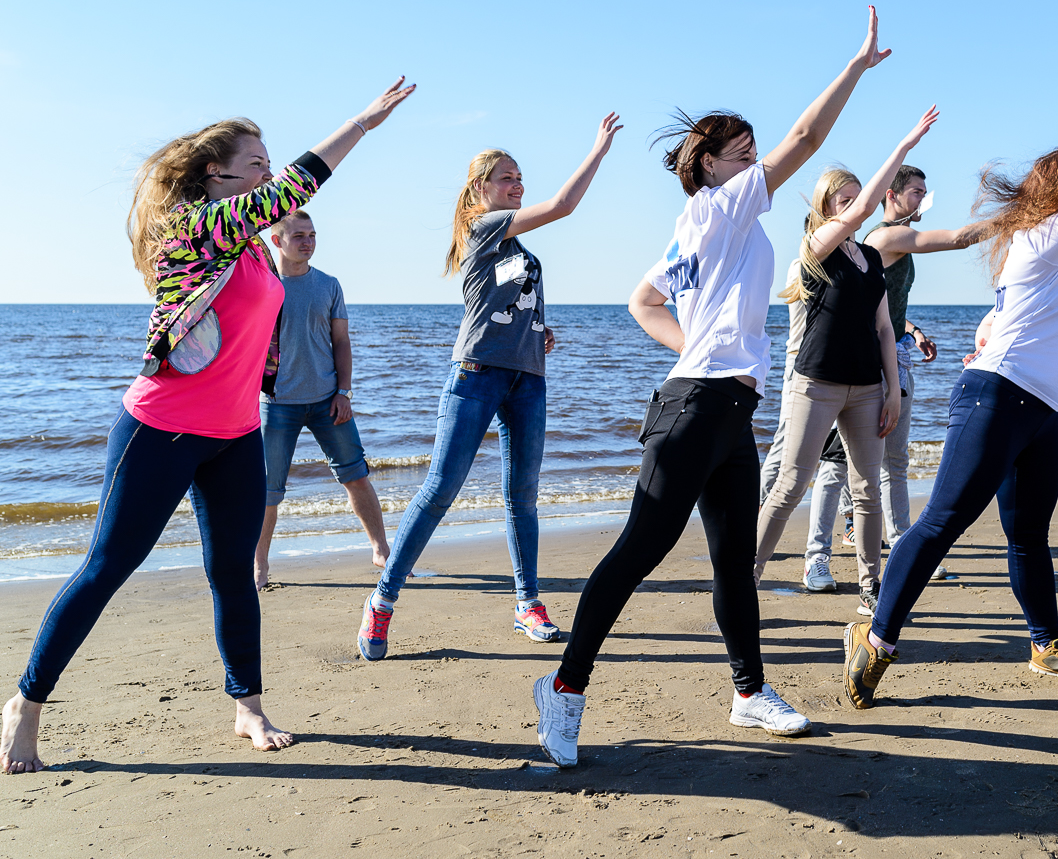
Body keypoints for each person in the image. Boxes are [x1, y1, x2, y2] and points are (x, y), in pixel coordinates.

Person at [0, 79, 415, 774]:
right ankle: (25, 704)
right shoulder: (195, 230)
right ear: (215, 174)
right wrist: (361, 125)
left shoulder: (253, 246)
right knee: (108, 565)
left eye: (267, 161)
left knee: (232, 572)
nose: (267, 173)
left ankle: (247, 705)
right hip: (160, 428)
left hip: (234, 436)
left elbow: (252, 323)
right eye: (256, 163)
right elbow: (289, 195)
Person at [532, 7, 892, 768]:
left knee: (733, 559)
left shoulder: (696, 226)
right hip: (694, 407)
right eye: (743, 151)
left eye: (753, 152)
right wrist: (855, 67)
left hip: (728, 405)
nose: (758, 160)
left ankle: (748, 689)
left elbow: (642, 301)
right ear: (711, 166)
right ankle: (563, 688)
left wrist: (695, 344)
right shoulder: (723, 207)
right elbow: (808, 140)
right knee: (640, 549)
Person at [841, 67, 1058, 708]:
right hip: (997, 396)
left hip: (1039, 409)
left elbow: (1025, 309)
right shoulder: (1046, 233)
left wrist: (995, 322)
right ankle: (877, 635)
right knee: (944, 520)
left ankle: (1044, 643)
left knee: (1028, 534)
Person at [357, 113, 623, 659]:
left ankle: (528, 602)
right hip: (476, 374)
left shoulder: (518, 248)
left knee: (522, 497)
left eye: (519, 177)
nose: (517, 185)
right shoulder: (483, 229)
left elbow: (508, 303)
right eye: (507, 178)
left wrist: (538, 331)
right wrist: (597, 150)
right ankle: (382, 602)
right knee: (438, 490)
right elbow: (565, 207)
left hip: (528, 380)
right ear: (480, 189)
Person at [756, 108, 938, 614]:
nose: (856, 207)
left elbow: (885, 327)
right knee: (791, 485)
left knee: (867, 492)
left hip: (866, 388)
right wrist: (901, 148)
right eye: (846, 200)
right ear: (826, 208)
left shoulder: (870, 258)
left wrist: (892, 389)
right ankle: (746, 575)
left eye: (859, 197)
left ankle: (870, 586)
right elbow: (853, 220)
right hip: (815, 385)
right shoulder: (814, 250)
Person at [864, 164, 1002, 578]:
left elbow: (883, 301)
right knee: (852, 465)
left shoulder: (894, 240)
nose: (922, 200)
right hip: (869, 361)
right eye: (916, 193)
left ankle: (904, 546)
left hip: (896, 351)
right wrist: (1012, 217)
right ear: (892, 194)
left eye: (924, 193)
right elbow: (959, 240)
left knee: (896, 460)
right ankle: (823, 552)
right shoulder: (887, 236)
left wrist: (913, 329)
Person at [256, 209, 389, 590]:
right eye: (299, 236)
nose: (308, 242)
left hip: (328, 400)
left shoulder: (328, 285)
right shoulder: (263, 285)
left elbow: (341, 343)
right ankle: (260, 566)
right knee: (268, 491)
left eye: (312, 235)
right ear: (277, 241)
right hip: (276, 404)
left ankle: (380, 549)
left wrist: (344, 392)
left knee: (356, 476)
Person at [758, 257, 852, 594]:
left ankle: (818, 554)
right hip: (805, 370)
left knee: (832, 464)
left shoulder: (853, 262)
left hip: (846, 374)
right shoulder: (803, 265)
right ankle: (754, 531)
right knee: (787, 461)